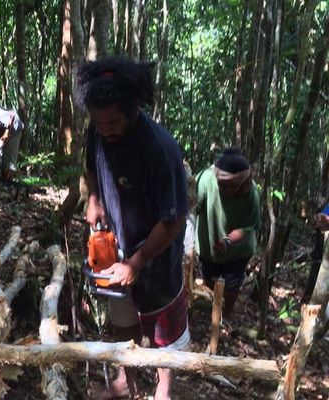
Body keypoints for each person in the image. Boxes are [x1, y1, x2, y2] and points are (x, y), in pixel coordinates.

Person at [79, 57, 189, 400]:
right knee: (122, 315)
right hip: (117, 246)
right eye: (97, 121)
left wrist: (137, 262)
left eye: (112, 121)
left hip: (155, 253)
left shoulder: (159, 149)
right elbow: (91, 167)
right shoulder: (96, 132)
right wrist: (94, 198)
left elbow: (173, 221)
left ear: (132, 109)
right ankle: (127, 380)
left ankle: (164, 390)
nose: (104, 128)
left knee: (162, 326)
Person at [194, 147, 261, 316]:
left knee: (231, 285)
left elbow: (247, 226)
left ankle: (226, 315)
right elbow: (190, 208)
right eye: (223, 185)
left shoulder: (251, 193)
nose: (228, 190)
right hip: (209, 246)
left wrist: (227, 240)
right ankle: (211, 313)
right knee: (209, 280)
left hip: (238, 250)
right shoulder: (205, 180)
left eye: (233, 186)